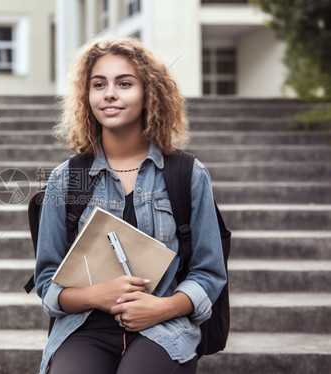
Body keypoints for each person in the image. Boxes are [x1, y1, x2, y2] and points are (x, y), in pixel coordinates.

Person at [33, 37, 227, 374]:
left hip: (165, 327)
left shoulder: (187, 174)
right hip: (84, 327)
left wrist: (162, 308)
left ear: (149, 93)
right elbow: (48, 282)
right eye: (99, 84)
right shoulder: (67, 179)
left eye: (124, 83)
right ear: (86, 95)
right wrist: (98, 295)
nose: (110, 93)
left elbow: (208, 272)